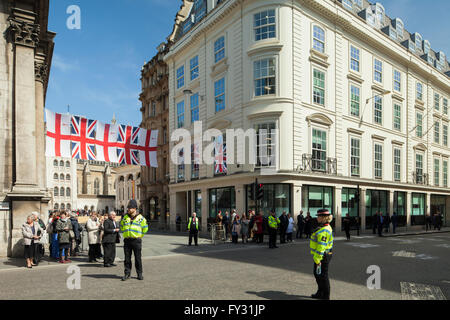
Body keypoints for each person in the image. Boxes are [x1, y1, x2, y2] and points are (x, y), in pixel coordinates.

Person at [120, 199, 148, 281]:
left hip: (136, 240)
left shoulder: (141, 218)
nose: (128, 209)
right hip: (127, 240)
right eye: (128, 208)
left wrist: (139, 236)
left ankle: (139, 274)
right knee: (127, 258)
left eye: (130, 208)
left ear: (135, 208)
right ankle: (127, 274)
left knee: (138, 258)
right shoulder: (125, 217)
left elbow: (145, 229)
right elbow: (121, 226)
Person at [310, 209, 334, 300]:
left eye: (319, 216)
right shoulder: (323, 227)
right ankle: (320, 292)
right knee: (318, 274)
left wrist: (317, 259)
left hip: (322, 256)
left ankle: (326, 296)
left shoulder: (324, 230)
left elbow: (321, 247)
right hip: (322, 255)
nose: (317, 218)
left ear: (323, 218)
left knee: (323, 276)